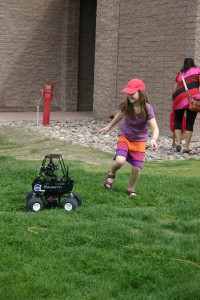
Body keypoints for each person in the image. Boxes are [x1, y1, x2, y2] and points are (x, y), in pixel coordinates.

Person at [99, 78, 159, 196]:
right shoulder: (127, 105)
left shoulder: (147, 108)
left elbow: (155, 127)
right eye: (128, 93)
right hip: (125, 136)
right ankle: (111, 173)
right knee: (120, 161)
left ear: (140, 93)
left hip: (139, 140)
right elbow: (119, 116)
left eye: (132, 94)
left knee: (137, 168)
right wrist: (108, 127)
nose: (129, 96)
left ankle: (130, 188)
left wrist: (153, 139)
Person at [172, 58, 200, 153]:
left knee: (178, 121)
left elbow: (174, 90)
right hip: (193, 98)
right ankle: (186, 147)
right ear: (193, 64)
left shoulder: (180, 73)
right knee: (189, 123)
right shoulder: (198, 71)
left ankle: (178, 143)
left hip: (178, 98)